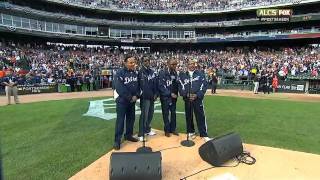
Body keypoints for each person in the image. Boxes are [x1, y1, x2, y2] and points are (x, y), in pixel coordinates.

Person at [178, 59, 211, 142]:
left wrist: (197, 95)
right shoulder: (183, 75)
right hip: (187, 99)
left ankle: (203, 134)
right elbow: (180, 87)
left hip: (197, 99)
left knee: (200, 116)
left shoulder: (200, 74)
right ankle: (191, 131)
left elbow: (204, 85)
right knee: (189, 116)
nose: (191, 65)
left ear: (195, 65)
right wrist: (186, 94)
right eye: (190, 64)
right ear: (187, 65)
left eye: (193, 64)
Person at [113, 56, 139, 150]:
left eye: (134, 62)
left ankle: (128, 135)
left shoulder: (135, 72)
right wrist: (130, 97)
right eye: (131, 62)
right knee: (120, 121)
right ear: (125, 63)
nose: (133, 64)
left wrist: (136, 95)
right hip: (122, 101)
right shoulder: (119, 72)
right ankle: (117, 140)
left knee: (131, 119)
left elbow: (138, 85)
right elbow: (119, 87)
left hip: (132, 101)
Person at [138, 57, 158, 141]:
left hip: (152, 97)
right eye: (145, 61)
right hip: (145, 97)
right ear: (142, 62)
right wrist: (151, 95)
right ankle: (141, 134)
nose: (147, 62)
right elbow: (143, 86)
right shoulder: (141, 72)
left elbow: (156, 83)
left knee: (150, 114)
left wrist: (156, 94)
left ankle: (147, 130)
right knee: (144, 115)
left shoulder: (152, 71)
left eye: (148, 60)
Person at [158, 59, 179, 137]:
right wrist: (170, 94)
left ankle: (173, 129)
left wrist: (177, 93)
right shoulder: (162, 72)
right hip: (165, 98)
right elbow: (161, 86)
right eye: (172, 64)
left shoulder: (175, 73)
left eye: (175, 64)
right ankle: (167, 130)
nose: (174, 66)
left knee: (173, 114)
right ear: (168, 64)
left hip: (173, 98)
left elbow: (176, 85)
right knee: (166, 114)